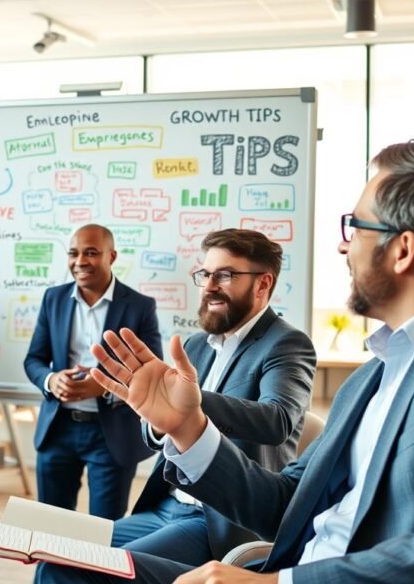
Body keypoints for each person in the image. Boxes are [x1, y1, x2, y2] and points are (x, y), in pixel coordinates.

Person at [38, 140, 414, 584]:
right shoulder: (375, 375)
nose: (344, 249)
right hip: (277, 562)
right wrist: (189, 427)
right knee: (67, 569)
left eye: (356, 227)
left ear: (402, 249)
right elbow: (284, 506)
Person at [111, 228, 315, 566]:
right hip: (166, 505)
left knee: (104, 569)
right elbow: (158, 432)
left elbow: (277, 420)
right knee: (63, 555)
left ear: (262, 284)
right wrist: (160, 421)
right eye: (205, 274)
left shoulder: (287, 343)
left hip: (216, 519)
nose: (209, 286)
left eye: (225, 275)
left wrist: (191, 404)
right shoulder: (194, 345)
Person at [24, 223, 163, 520]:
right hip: (57, 428)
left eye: (91, 253)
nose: (80, 261)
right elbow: (33, 360)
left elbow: (151, 371)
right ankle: (48, 570)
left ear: (111, 256)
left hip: (110, 433)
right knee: (49, 525)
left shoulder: (139, 306)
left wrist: (103, 385)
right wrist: (52, 380)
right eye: (73, 253)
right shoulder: (53, 299)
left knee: (103, 530)